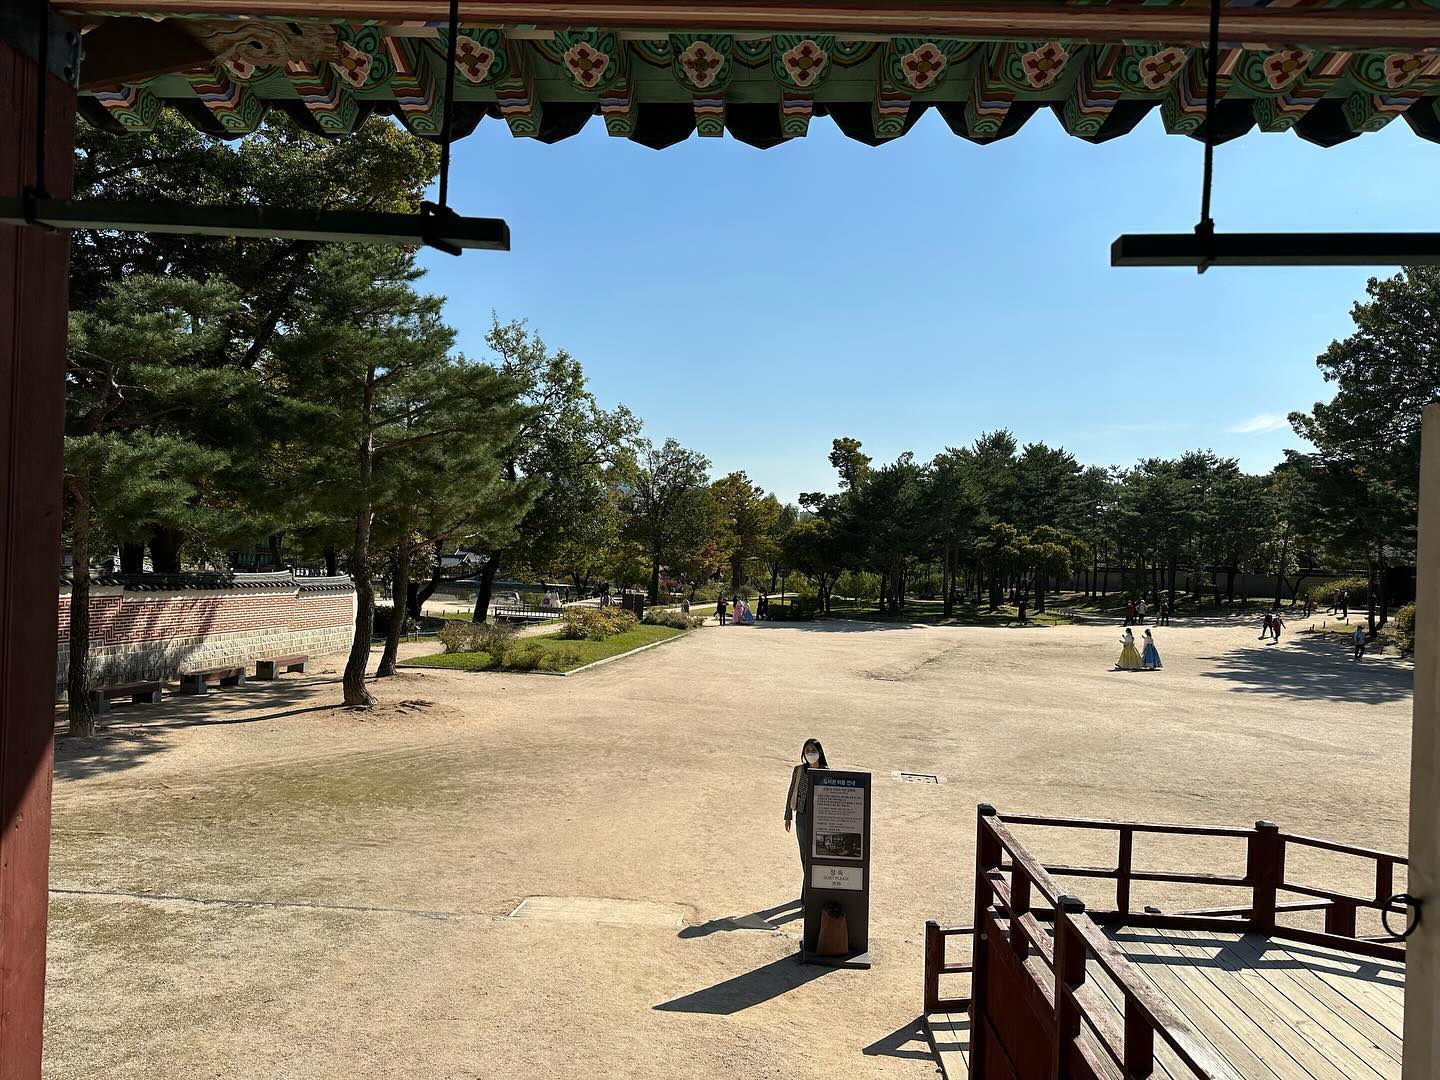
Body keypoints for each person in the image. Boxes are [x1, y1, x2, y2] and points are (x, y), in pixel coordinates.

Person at [784, 739, 829, 875]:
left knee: (819, 851)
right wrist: (788, 816)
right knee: (804, 851)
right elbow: (792, 791)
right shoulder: (799, 770)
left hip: (821, 818)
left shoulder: (826, 771)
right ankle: (807, 880)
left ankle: (817, 881)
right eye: (807, 751)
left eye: (813, 750)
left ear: (819, 752)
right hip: (802, 816)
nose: (810, 753)